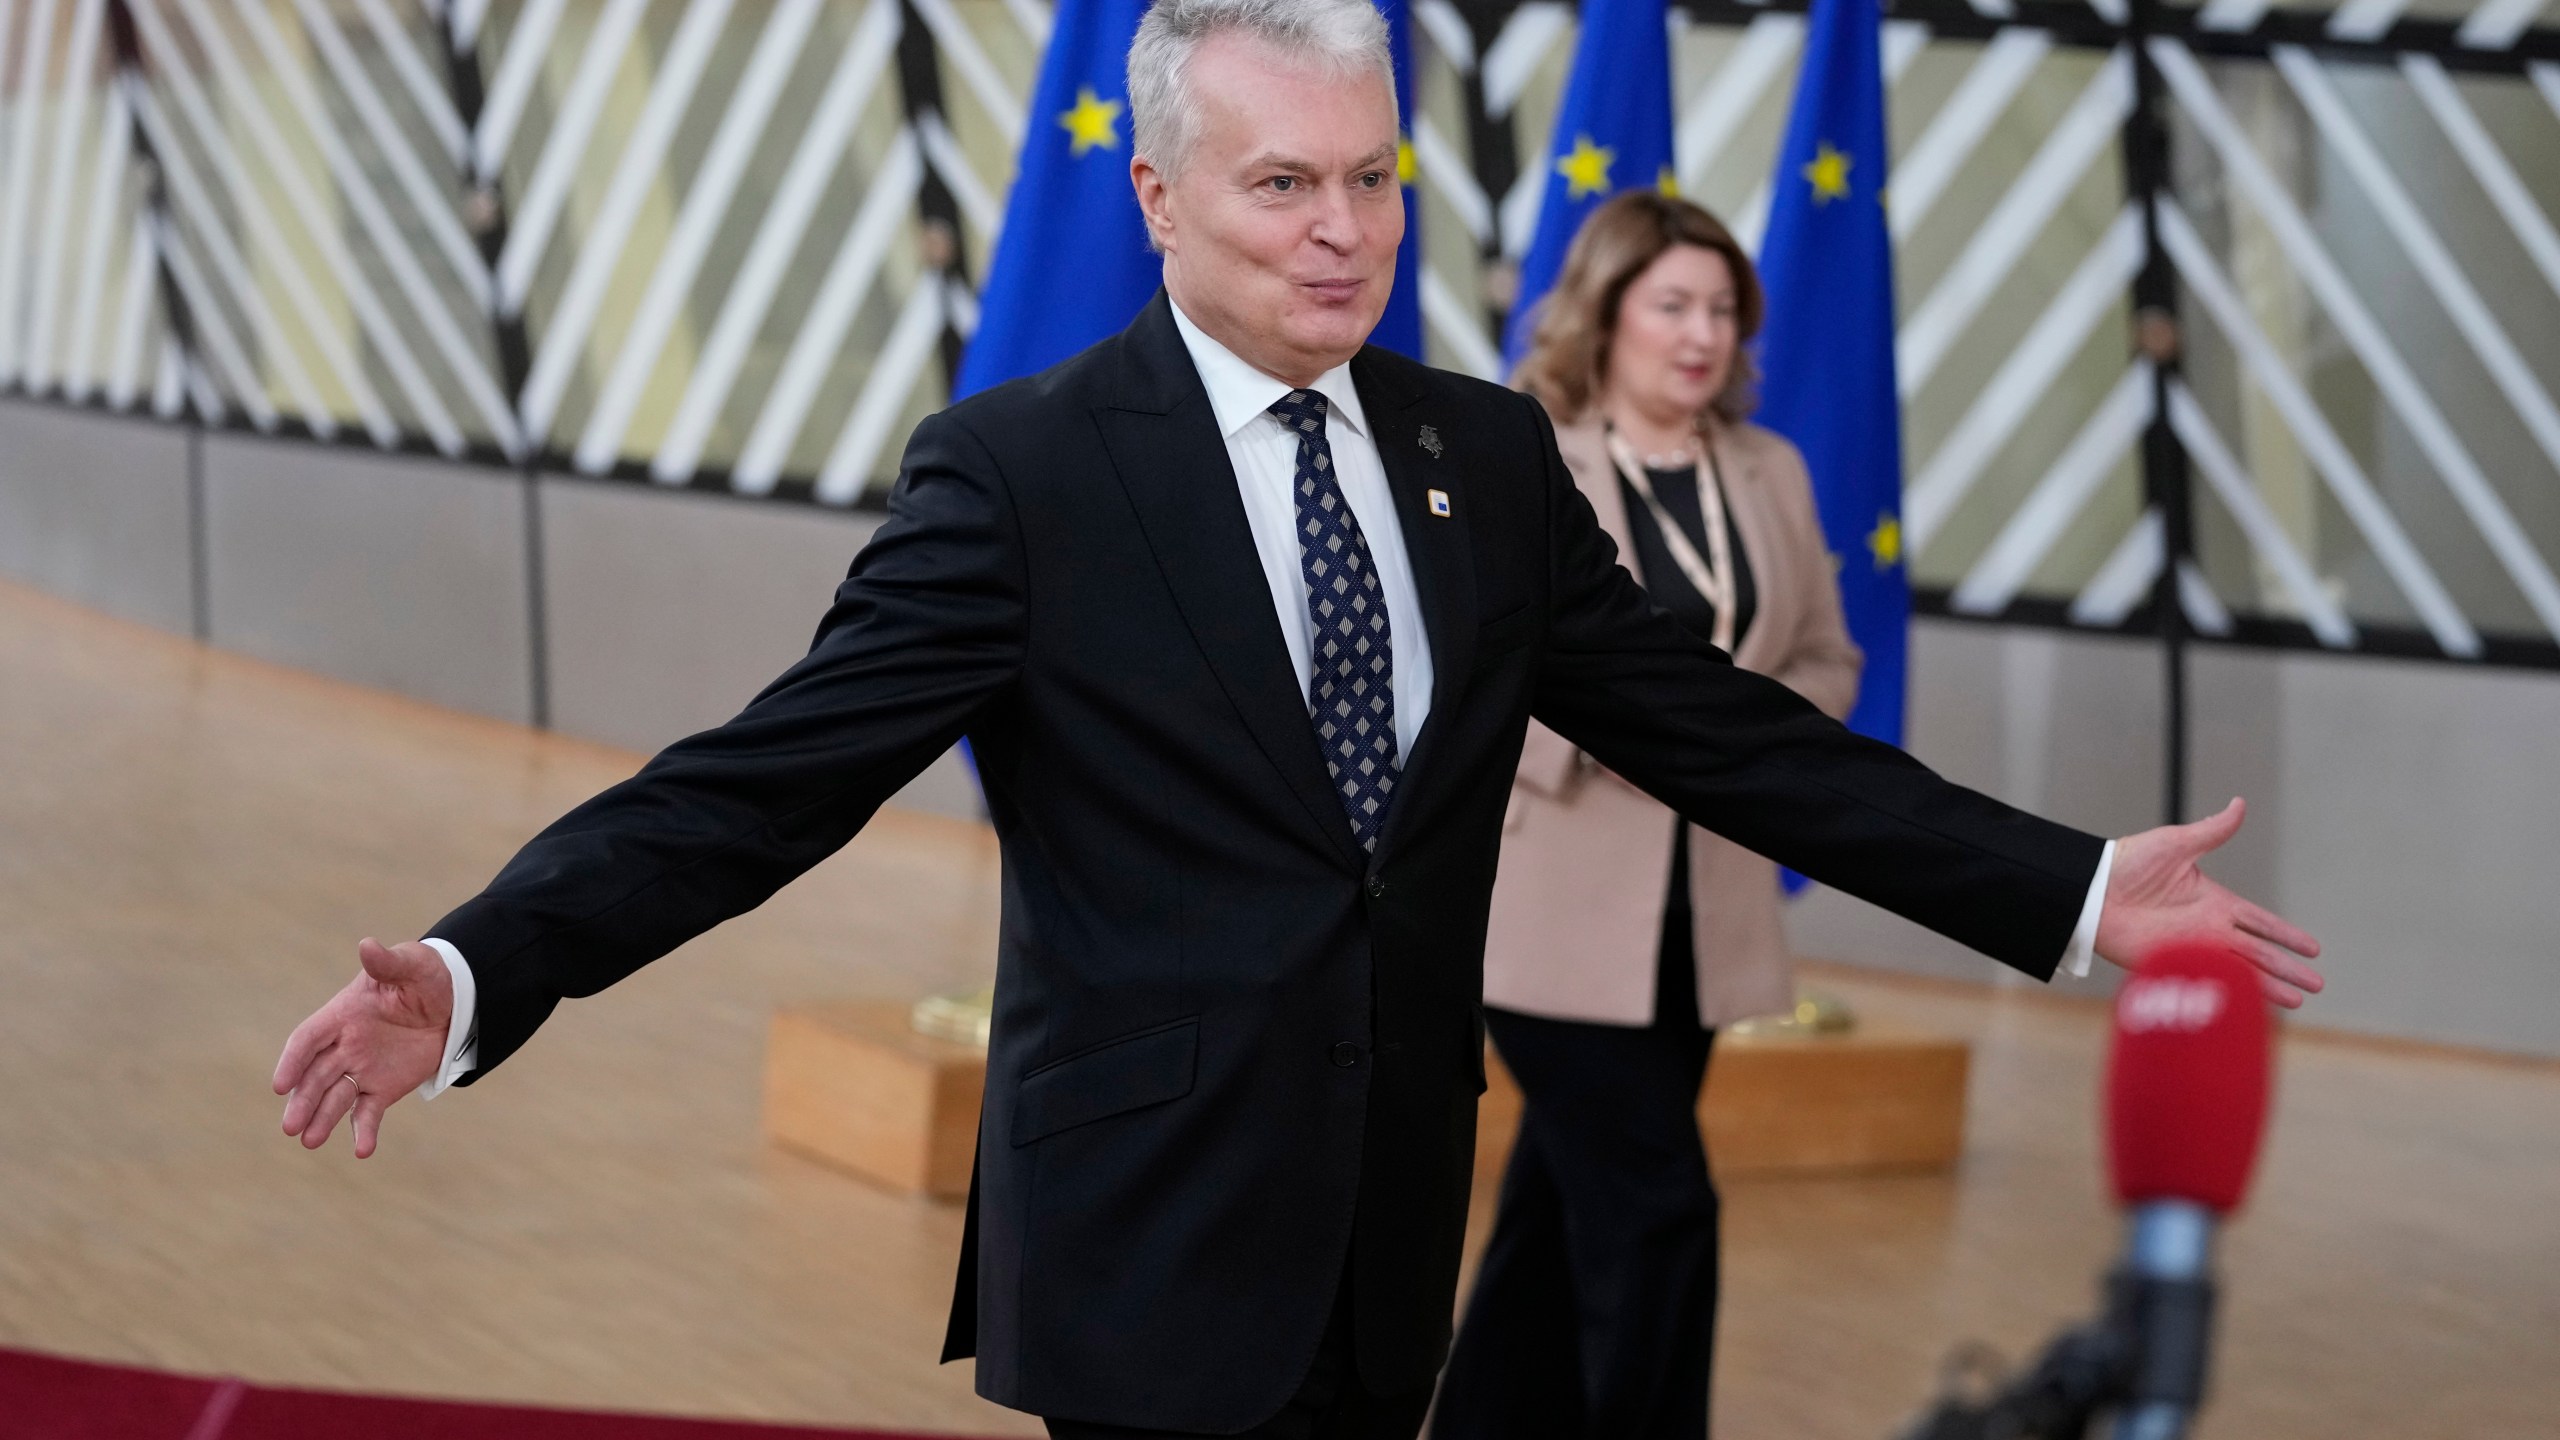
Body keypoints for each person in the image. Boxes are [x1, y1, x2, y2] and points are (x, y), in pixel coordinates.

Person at [270, 2, 2323, 1437]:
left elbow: (1729, 739)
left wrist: (2061, 891)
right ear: (1156, 198)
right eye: (1278, 186)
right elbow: (766, 782)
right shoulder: (1023, 475)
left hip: (1388, 1214)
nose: (1341, 232)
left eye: (1370, 181)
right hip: (1144, 1227)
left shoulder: (1485, 457)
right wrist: (476, 970)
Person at [1435, 192, 1858, 1440]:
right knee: (1660, 1204)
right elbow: (1470, 659)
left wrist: (1735, 742)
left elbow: (1829, 657)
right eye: (1672, 304)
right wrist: (1625, 734)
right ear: (1607, 313)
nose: (1700, 333)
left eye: (1721, 309)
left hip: (1705, 914)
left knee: (1560, 1213)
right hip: (1546, 915)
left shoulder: (1767, 469)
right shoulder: (1524, 453)